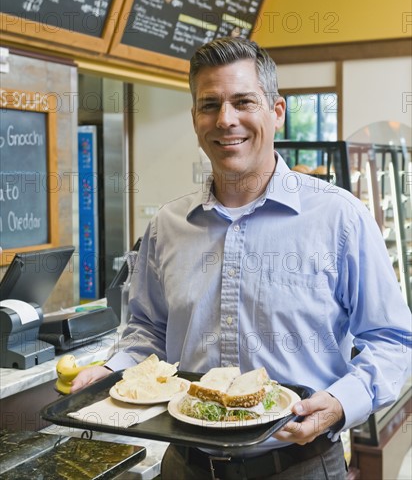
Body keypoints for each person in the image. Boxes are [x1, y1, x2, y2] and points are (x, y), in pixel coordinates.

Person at [72, 37, 412, 479]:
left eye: (243, 102)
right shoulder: (167, 226)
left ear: (277, 112)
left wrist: (341, 403)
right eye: (209, 105)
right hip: (184, 466)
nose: (225, 120)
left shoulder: (339, 218)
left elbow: (392, 340)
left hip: (299, 466)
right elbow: (148, 330)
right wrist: (111, 369)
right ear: (195, 118)